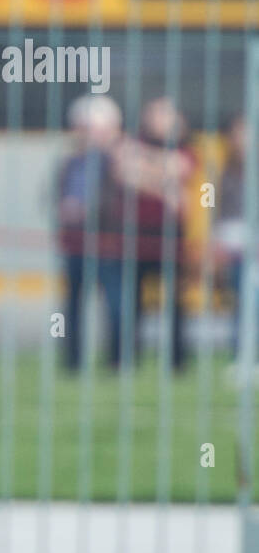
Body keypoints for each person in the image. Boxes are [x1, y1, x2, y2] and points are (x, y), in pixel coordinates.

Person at [116, 96, 196, 370]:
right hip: (135, 235)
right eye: (154, 113)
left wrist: (143, 165)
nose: (158, 119)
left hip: (171, 235)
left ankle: (177, 362)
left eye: (164, 114)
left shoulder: (186, 148)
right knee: (131, 301)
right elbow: (124, 173)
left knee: (176, 302)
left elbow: (181, 168)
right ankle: (126, 359)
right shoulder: (133, 142)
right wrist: (166, 184)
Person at [54, 96, 129, 370]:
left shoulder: (116, 161)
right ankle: (72, 360)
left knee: (116, 306)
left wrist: (87, 211)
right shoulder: (69, 162)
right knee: (71, 307)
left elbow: (116, 200)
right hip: (75, 244)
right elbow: (54, 194)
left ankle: (118, 360)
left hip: (106, 245)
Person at [213, 113, 249, 357]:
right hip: (233, 243)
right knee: (242, 300)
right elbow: (210, 203)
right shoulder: (221, 170)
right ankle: (241, 354)